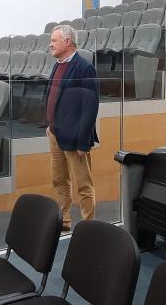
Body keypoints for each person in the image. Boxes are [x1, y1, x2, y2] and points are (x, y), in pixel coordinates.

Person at [46, 24, 99, 232]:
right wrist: (49, 124)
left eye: (54, 40)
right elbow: (53, 97)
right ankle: (64, 219)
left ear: (68, 42)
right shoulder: (57, 64)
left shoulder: (84, 67)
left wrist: (83, 140)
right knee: (59, 179)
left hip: (75, 138)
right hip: (55, 133)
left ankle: (88, 228)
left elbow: (90, 107)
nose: (50, 44)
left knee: (83, 184)